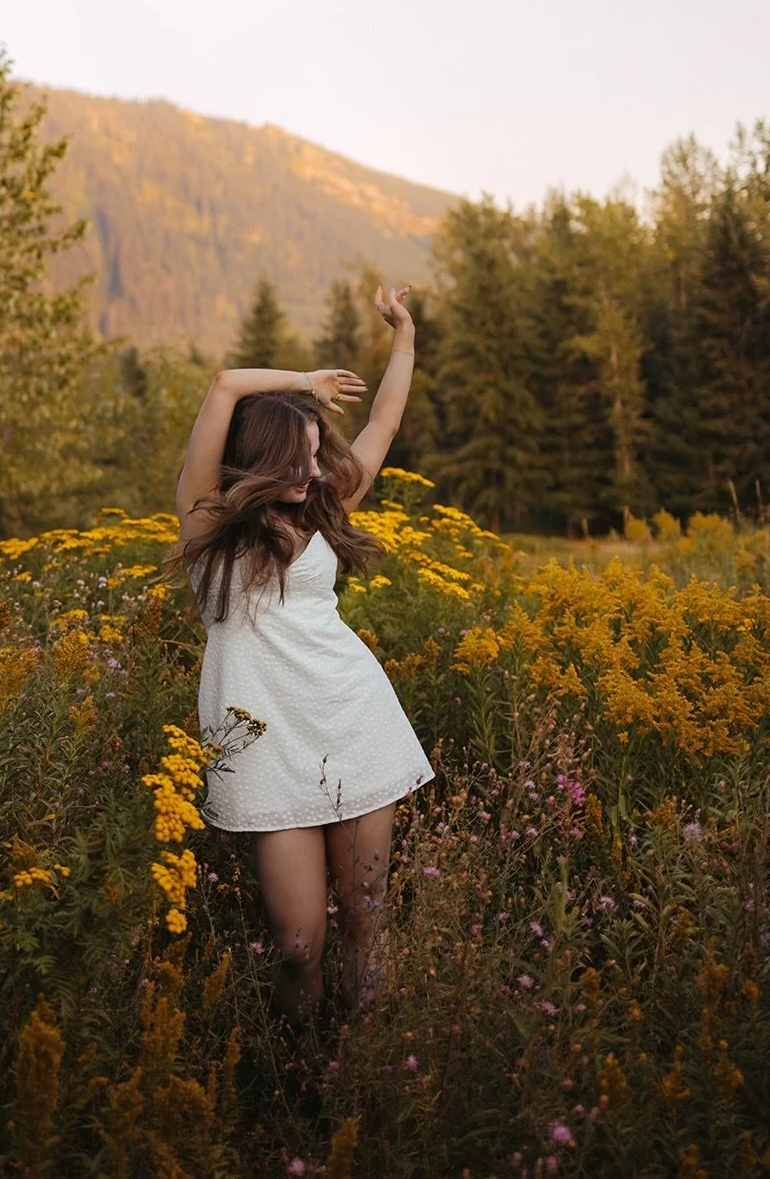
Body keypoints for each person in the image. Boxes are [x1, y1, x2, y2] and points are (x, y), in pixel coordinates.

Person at [172, 282, 434, 1025]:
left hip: (353, 720)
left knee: (366, 918)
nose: (316, 474)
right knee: (297, 945)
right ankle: (300, 1070)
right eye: (301, 459)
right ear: (260, 456)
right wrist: (304, 382)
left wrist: (404, 335)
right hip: (263, 743)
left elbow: (383, 421)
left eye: (319, 457)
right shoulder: (205, 522)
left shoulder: (324, 507)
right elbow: (225, 384)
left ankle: (364, 1063)